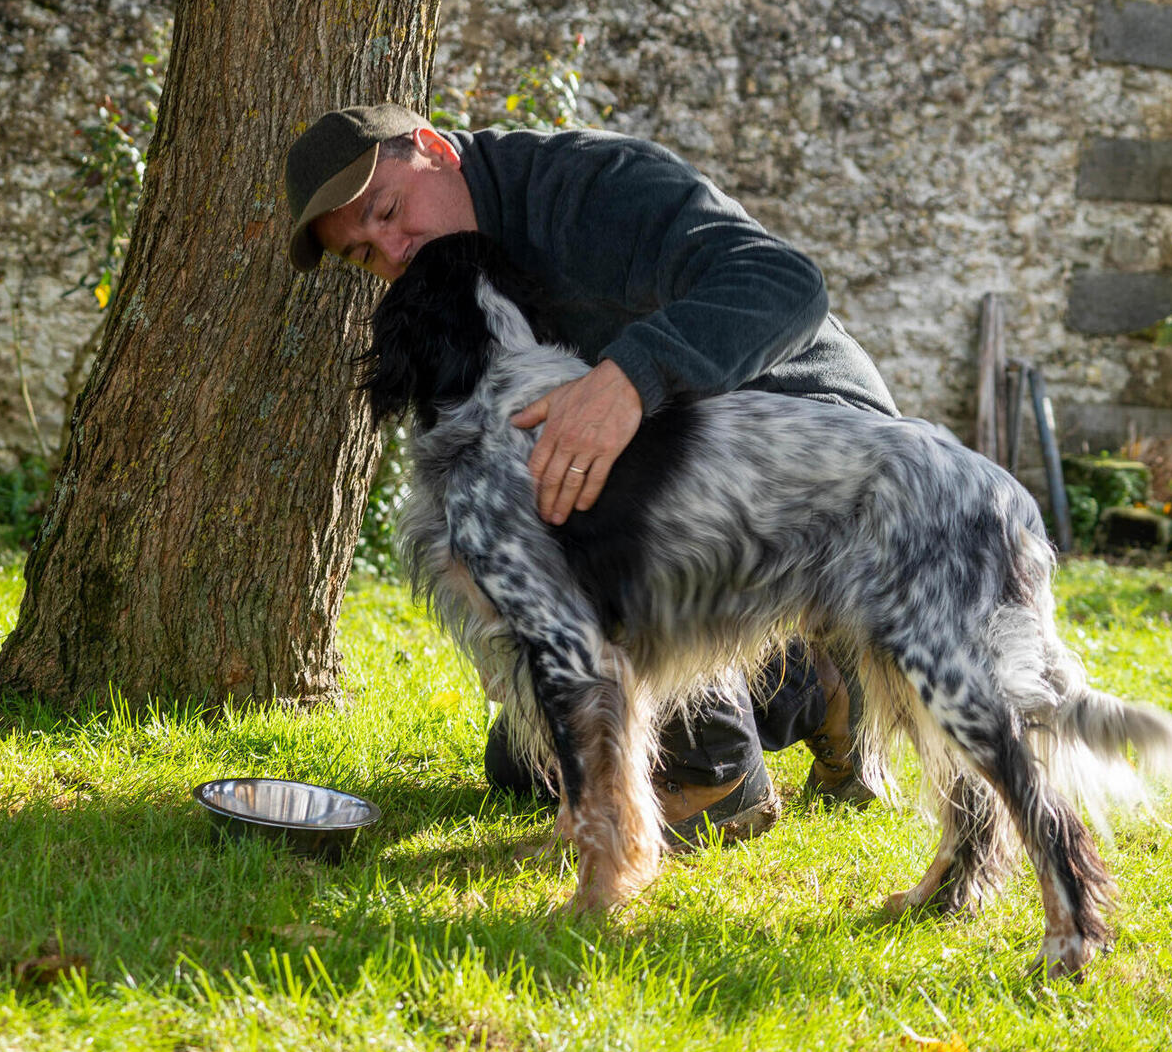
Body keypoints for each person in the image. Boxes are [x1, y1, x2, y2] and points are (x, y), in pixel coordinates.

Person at [283, 101, 899, 845]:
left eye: (387, 209)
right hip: (679, 494)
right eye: (363, 254)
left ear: (431, 149)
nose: (393, 250)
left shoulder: (593, 186)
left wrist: (628, 380)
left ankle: (717, 770)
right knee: (524, 762)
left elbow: (787, 285)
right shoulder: (450, 279)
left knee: (591, 547)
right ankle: (811, 682)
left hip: (823, 451)